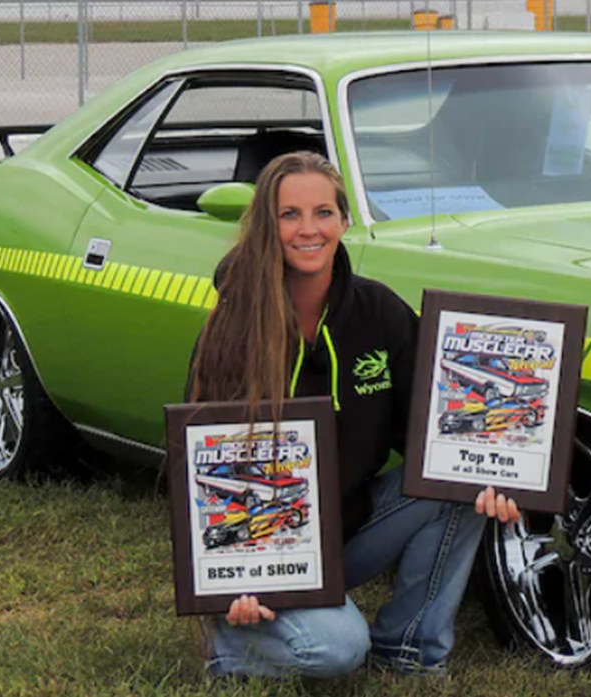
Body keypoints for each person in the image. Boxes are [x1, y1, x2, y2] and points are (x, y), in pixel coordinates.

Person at [186, 150, 521, 678]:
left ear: (345, 219)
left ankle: (409, 650)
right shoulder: (233, 327)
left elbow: (434, 431)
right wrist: (236, 578)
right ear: (266, 227)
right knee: (337, 651)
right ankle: (234, 641)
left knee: (459, 479)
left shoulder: (380, 311)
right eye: (289, 214)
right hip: (270, 547)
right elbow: (204, 472)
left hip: (352, 528)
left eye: (323, 212)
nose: (308, 230)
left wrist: (494, 474)